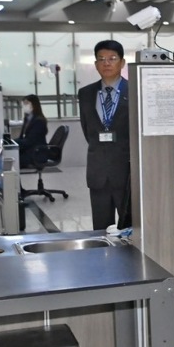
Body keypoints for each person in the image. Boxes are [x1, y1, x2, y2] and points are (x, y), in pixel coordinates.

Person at [78, 39, 133, 230]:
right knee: (100, 230)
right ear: (95, 64)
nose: (106, 63)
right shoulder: (85, 93)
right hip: (98, 172)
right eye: (101, 59)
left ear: (122, 62)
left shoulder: (134, 90)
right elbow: (88, 131)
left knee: (130, 228)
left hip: (126, 173)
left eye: (112, 58)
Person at [17, 94, 49, 169]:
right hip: (29, 150)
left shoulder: (39, 121)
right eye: (23, 104)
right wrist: (12, 143)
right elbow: (22, 138)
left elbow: (29, 141)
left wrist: (13, 142)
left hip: (36, 153)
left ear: (34, 104)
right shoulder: (27, 119)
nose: (24, 106)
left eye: (26, 103)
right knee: (10, 157)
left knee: (12, 160)